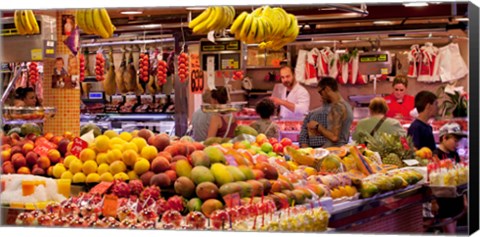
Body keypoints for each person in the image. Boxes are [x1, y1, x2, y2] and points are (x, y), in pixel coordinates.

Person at [431, 122, 468, 234]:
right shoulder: (435, 155)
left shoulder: (455, 155)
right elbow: (432, 180)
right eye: (455, 141)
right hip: (443, 201)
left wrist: (464, 199)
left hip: (456, 199)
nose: (457, 144)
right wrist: (433, 202)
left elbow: (460, 179)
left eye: (458, 141)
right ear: (444, 138)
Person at [300, 77, 353, 148]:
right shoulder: (347, 105)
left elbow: (334, 137)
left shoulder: (337, 107)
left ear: (327, 89)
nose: (321, 96)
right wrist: (319, 132)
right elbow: (340, 133)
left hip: (334, 151)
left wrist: (318, 126)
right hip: (340, 149)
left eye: (320, 92)